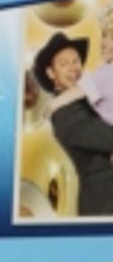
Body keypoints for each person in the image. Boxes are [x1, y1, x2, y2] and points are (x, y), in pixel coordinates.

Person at [34, 29, 113, 217]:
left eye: (76, 61)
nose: (73, 68)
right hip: (103, 204)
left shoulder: (92, 98)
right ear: (50, 73)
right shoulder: (64, 114)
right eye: (63, 64)